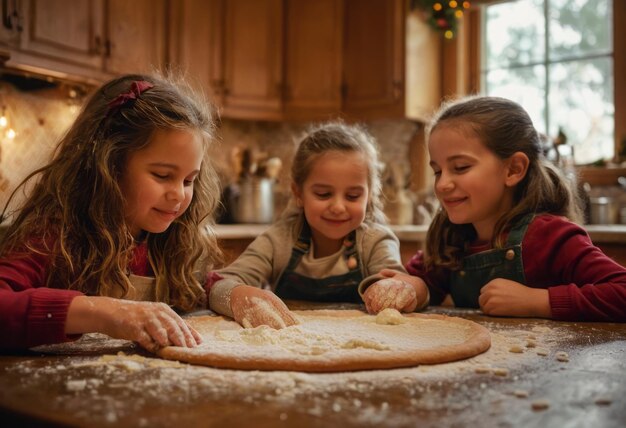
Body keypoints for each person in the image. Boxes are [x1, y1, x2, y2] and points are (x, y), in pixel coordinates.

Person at [0, 73, 224, 351]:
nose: (179, 194)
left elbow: (199, 283)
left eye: (189, 180)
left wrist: (231, 293)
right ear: (108, 166)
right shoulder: (53, 237)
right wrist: (101, 312)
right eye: (163, 175)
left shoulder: (168, 240)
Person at [402, 95, 626, 322]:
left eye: (460, 167)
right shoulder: (453, 238)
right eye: (437, 171)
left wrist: (539, 301)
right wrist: (410, 287)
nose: (442, 184)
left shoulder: (551, 237)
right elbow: (421, 282)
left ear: (513, 170)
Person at [207, 122, 429, 327]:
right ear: (298, 194)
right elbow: (218, 285)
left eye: (352, 196)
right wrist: (236, 294)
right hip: (293, 343)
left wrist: (404, 290)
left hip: (364, 346)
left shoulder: (375, 241)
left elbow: (409, 287)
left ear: (369, 196)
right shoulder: (279, 241)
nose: (338, 207)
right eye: (323, 194)